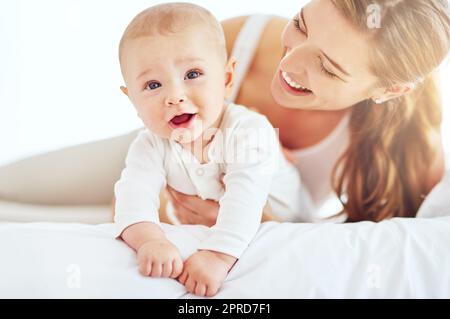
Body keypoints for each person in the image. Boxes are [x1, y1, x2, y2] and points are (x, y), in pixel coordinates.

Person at [0, 0, 448, 265]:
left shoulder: (410, 157)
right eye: (301, 25)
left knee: (28, 233)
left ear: (389, 89)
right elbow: (153, 86)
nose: (289, 65)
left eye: (327, 68)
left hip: (189, 221)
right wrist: (144, 189)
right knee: (9, 184)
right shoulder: (247, 39)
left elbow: (349, 253)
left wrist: (250, 221)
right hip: (154, 155)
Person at [114, 3, 307, 297]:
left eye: (192, 74)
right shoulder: (150, 143)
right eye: (153, 85)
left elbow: (244, 201)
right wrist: (151, 240)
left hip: (278, 216)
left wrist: (218, 255)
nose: (175, 96)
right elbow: (133, 195)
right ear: (132, 101)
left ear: (227, 79)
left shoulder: (249, 131)